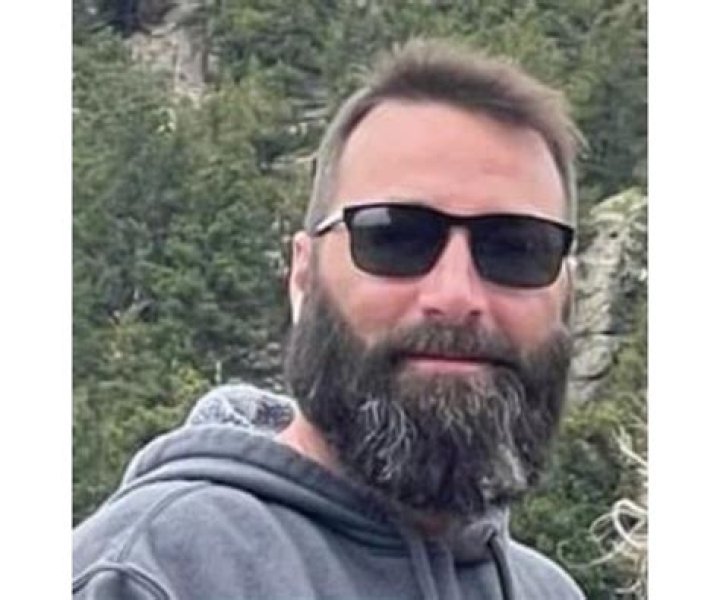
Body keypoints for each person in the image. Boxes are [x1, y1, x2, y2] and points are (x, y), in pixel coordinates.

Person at [73, 39, 586, 600]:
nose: (455, 295)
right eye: (394, 237)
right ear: (303, 275)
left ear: (567, 292)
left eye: (516, 248)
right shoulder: (147, 576)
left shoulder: (548, 592)